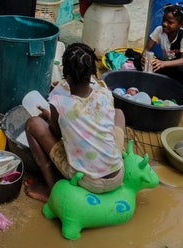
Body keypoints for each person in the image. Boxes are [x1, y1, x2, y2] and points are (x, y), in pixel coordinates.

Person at [24, 43, 126, 202]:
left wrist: (51, 117)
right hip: (117, 175)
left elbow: (57, 133)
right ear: (92, 72)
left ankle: (50, 189)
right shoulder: (105, 94)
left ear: (67, 77)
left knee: (32, 123)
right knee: (119, 114)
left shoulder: (59, 103)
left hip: (90, 181)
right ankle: (112, 157)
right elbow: (90, 115)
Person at [142, 3, 183, 87]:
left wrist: (163, 63)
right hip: (166, 67)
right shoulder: (159, 30)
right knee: (138, 61)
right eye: (163, 20)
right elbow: (147, 49)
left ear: (180, 25)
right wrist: (144, 59)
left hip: (178, 71)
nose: (165, 24)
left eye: (170, 22)